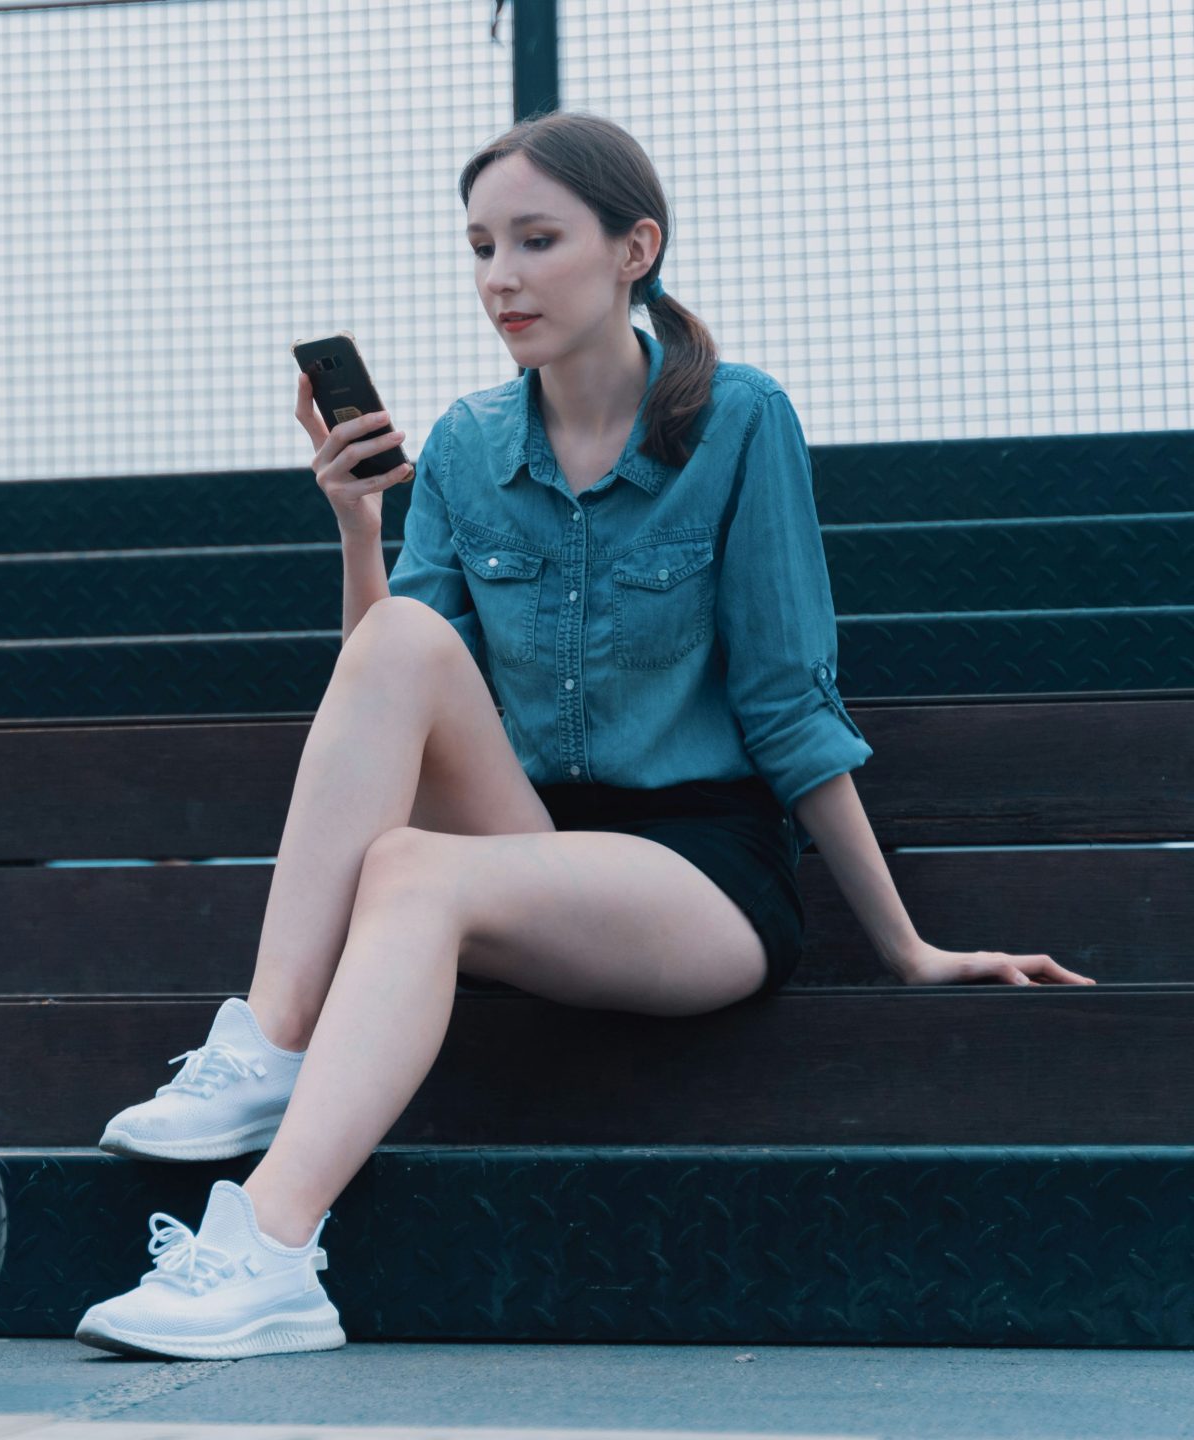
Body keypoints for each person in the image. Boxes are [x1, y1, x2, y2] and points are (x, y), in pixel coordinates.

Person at [70, 110, 1095, 1363]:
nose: (500, 276)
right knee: (399, 642)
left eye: (537, 239)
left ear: (632, 249)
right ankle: (271, 1044)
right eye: (481, 245)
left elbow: (788, 705)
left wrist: (908, 947)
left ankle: (270, 1245)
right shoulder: (463, 445)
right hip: (529, 840)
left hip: (696, 879)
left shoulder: (737, 422)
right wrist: (356, 529)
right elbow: (391, 682)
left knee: (409, 869)